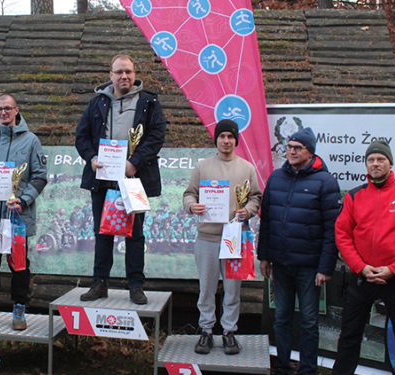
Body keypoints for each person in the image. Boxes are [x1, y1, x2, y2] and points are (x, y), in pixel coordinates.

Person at [75, 53, 166, 304]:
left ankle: (135, 285)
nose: (124, 76)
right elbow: (81, 137)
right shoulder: (96, 103)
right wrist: (92, 158)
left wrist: (134, 163)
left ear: (135, 74)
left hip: (134, 178)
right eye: (119, 72)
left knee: (134, 233)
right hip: (102, 177)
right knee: (102, 231)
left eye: (128, 71)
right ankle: (99, 283)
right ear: (111, 75)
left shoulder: (149, 103)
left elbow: (156, 137)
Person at [333, 140, 395, 375]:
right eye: (371, 159)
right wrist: (360, 267)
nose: (375, 163)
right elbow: (342, 235)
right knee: (349, 336)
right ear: (366, 164)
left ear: (390, 163)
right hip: (362, 277)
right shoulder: (354, 196)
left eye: (380, 159)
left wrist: (394, 269)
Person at [258, 127, 341, 375]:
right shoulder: (276, 177)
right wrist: (264, 256)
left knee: (309, 322)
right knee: (281, 318)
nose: (291, 151)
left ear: (310, 152)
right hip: (280, 264)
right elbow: (267, 220)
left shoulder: (326, 182)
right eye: (289, 147)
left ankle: (307, 370)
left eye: (297, 148)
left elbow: (332, 229)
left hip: (309, 268)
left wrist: (325, 268)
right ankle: (282, 367)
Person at [182, 119, 262, 355]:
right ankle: (206, 331)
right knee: (206, 288)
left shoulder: (247, 168)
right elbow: (189, 194)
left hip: (236, 237)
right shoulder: (203, 166)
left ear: (236, 140)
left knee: (232, 288)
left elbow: (255, 198)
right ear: (215, 139)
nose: (226, 140)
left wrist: (246, 211)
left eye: (230, 136)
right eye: (222, 136)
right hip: (207, 237)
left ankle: (229, 332)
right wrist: (192, 206)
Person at [0, 94, 48, 329]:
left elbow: (40, 176)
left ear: (16, 110)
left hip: (17, 215)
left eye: (7, 108)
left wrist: (24, 200)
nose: (3, 113)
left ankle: (19, 309)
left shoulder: (31, 141)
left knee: (19, 264)